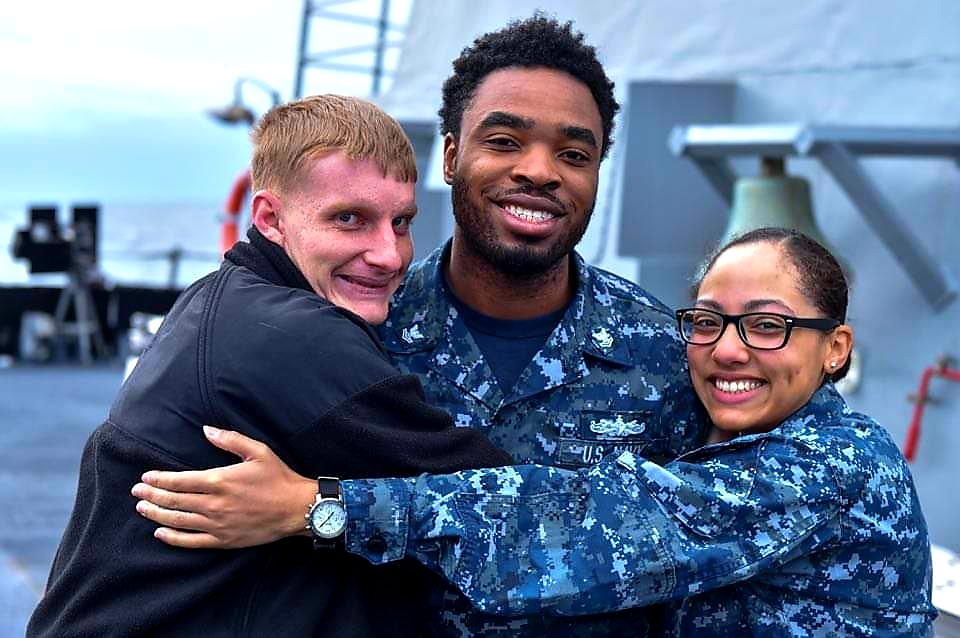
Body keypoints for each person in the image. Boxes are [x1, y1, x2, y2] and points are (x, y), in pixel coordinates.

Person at [132, 14, 707, 637]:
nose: (540, 171)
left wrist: (319, 508)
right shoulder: (346, 332)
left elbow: (701, 550)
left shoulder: (667, 355)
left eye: (574, 154)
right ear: (451, 157)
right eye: (505, 141)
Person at [145, 228, 936, 636]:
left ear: (836, 348)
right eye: (707, 321)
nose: (728, 350)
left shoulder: (832, 467)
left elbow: (591, 524)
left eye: (768, 326)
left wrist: (316, 507)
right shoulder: (730, 439)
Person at [27, 95, 511, 638]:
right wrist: (315, 507)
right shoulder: (295, 339)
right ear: (270, 218)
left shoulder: (217, 299)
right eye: (349, 219)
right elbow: (502, 509)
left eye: (400, 222)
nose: (390, 255)